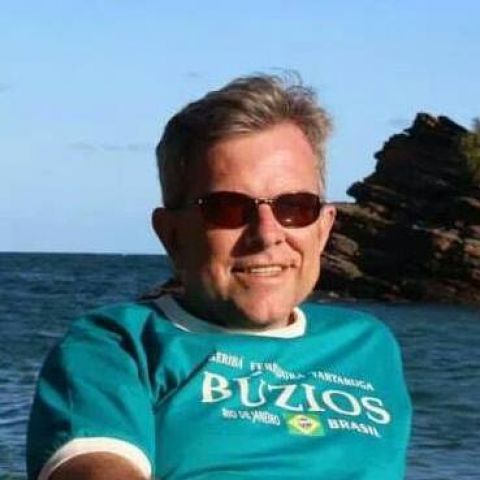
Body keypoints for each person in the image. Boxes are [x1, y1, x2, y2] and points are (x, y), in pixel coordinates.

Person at [27, 74, 411, 480]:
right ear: (172, 234)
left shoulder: (368, 345)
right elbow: (96, 466)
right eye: (228, 209)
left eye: (294, 207)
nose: (267, 233)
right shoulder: (119, 344)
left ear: (324, 227)